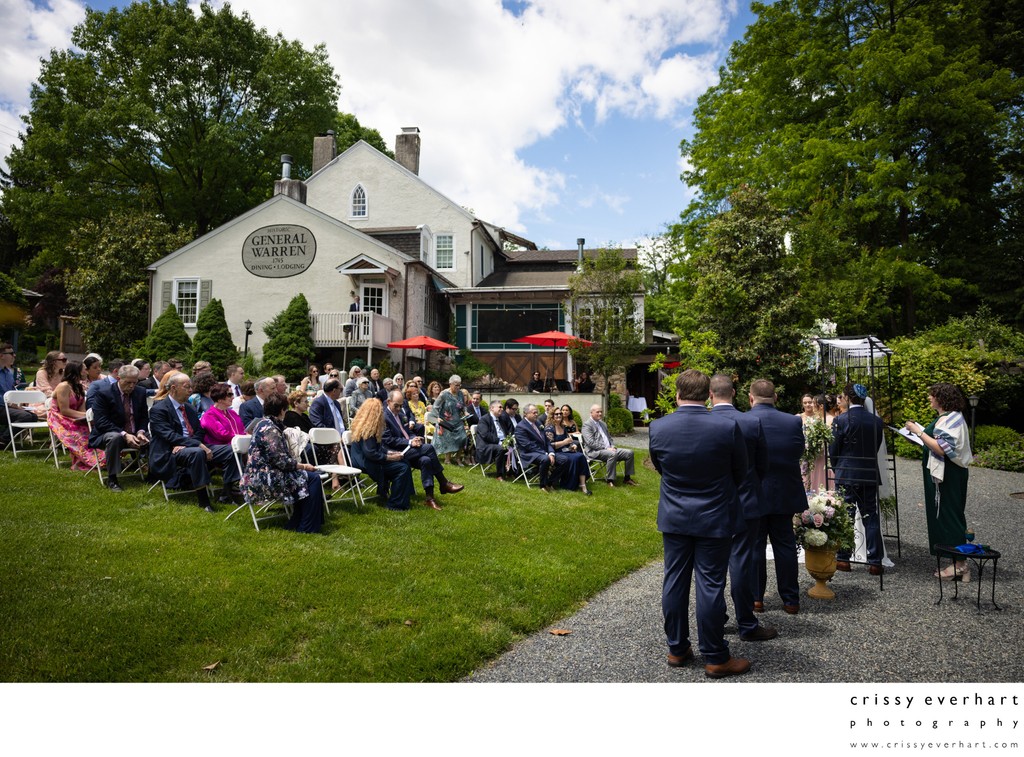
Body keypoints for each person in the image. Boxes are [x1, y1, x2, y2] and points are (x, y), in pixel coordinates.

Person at [649, 369, 750, 678]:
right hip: (715, 515)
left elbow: (660, 466)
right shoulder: (726, 427)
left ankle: (677, 648)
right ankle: (716, 656)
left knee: (674, 580)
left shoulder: (658, 427)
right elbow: (741, 471)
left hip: (676, 515)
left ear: (678, 394)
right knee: (710, 584)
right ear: (707, 395)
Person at [709, 374, 776, 642]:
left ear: (710, 395)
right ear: (735, 393)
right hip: (746, 502)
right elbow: (762, 465)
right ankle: (747, 623)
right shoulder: (751, 421)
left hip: (712, 505)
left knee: (712, 567)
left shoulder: (705, 421)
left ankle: (717, 618)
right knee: (741, 563)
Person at [904, 382, 974, 581]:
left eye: (932, 395)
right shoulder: (947, 417)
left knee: (950, 515)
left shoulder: (951, 418)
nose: (929, 398)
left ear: (941, 398)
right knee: (943, 515)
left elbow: (942, 448)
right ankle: (956, 561)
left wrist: (918, 431)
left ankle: (961, 565)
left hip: (949, 476)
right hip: (943, 475)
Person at [747, 378, 805, 614]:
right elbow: (798, 451)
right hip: (784, 490)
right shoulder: (792, 421)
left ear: (750, 398)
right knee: (785, 545)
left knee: (755, 545)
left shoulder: (744, 420)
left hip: (754, 492)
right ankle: (790, 599)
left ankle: (756, 598)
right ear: (776, 398)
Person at [149, 372, 239, 510]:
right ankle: (204, 500)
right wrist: (196, 444)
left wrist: (194, 443)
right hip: (169, 450)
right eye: (187, 387)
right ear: (173, 388)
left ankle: (226, 493)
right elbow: (168, 435)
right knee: (196, 452)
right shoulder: (158, 409)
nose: (191, 390)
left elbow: (199, 431)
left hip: (191, 447)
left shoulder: (189, 407)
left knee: (232, 450)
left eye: (191, 387)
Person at [242, 392, 325, 533]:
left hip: (266, 472)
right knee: (313, 479)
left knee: (308, 477)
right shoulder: (270, 429)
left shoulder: (264, 423)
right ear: (281, 410)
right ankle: (307, 526)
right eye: (285, 409)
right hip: (265, 477)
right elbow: (281, 462)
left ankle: (298, 521)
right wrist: (304, 466)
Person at [830, 383, 886, 575]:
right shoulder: (876, 421)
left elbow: (834, 449)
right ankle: (875, 561)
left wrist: (837, 467)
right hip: (869, 474)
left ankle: (844, 558)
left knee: (846, 516)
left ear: (847, 397)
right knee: (870, 516)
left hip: (847, 473)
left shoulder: (841, 420)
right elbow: (876, 447)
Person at [383, 389, 464, 510]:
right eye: (396, 406)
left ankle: (429, 498)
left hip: (408, 449)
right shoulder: (384, 417)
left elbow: (407, 431)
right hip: (396, 453)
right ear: (389, 402)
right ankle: (443, 483)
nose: (399, 409)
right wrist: (410, 442)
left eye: (401, 406)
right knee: (429, 448)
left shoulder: (399, 414)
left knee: (426, 460)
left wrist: (414, 438)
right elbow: (389, 441)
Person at [85, 363, 150, 492]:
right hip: (108, 433)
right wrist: (124, 434)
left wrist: (141, 431)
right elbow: (102, 422)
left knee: (155, 437)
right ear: (119, 379)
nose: (131, 386)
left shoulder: (140, 392)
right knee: (115, 438)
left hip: (135, 432)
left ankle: (154, 474)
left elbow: (143, 417)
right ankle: (112, 479)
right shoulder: (104, 394)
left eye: (134, 382)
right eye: (128, 382)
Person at [348, 398, 415, 511]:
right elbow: (371, 453)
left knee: (404, 462)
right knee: (402, 468)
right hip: (365, 462)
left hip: (368, 459)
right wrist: (390, 458)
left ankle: (403, 497)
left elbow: (377, 448)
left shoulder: (365, 426)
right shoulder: (367, 430)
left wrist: (390, 452)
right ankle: (395, 504)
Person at [48, 360, 105, 472]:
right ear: (77, 371)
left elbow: (81, 409)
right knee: (79, 433)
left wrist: (86, 417)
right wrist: (87, 415)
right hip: (59, 418)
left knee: (92, 428)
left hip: (73, 416)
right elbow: (64, 410)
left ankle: (98, 458)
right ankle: (89, 461)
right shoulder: (63, 386)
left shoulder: (78, 387)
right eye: (84, 369)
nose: (86, 371)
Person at [581, 404, 637, 487]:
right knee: (612, 454)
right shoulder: (587, 425)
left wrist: (612, 446)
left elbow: (609, 438)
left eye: (601, 412)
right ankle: (610, 480)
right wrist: (606, 448)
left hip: (609, 449)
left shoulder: (603, 424)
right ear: (591, 413)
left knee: (629, 452)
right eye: (597, 412)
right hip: (595, 452)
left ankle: (627, 478)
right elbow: (590, 442)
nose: (600, 414)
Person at [544, 407, 591, 494]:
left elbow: (568, 441)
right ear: (552, 416)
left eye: (560, 414)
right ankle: (569, 484)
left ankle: (582, 485)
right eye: (556, 414)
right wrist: (563, 442)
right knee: (573, 459)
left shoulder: (562, 427)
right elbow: (549, 445)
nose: (559, 415)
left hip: (566, 450)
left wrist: (572, 445)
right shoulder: (549, 428)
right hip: (556, 453)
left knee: (581, 456)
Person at [513, 404, 557, 492]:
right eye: (534, 413)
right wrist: (546, 454)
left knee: (564, 459)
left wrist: (551, 453)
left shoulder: (538, 423)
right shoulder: (521, 427)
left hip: (541, 452)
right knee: (545, 459)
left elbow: (547, 441)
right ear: (525, 414)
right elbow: (528, 445)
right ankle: (543, 485)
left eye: (537, 412)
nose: (536, 414)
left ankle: (551, 482)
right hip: (528, 453)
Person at [430, 375, 468, 465]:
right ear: (450, 384)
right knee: (449, 438)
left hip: (457, 420)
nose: (458, 387)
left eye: (459, 385)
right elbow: (435, 406)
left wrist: (465, 412)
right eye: (456, 385)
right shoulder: (444, 394)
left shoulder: (460, 394)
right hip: (446, 421)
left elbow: (463, 406)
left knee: (463, 437)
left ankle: (458, 458)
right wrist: (436, 417)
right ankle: (447, 459)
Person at [476, 399, 509, 480]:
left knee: (515, 447)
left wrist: (509, 441)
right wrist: (499, 441)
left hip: (501, 443)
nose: (502, 409)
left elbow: (506, 432)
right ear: (491, 408)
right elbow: (485, 435)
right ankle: (499, 475)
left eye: (502, 407)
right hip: (486, 445)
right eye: (500, 407)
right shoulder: (484, 419)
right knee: (502, 448)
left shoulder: (501, 419)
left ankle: (512, 472)